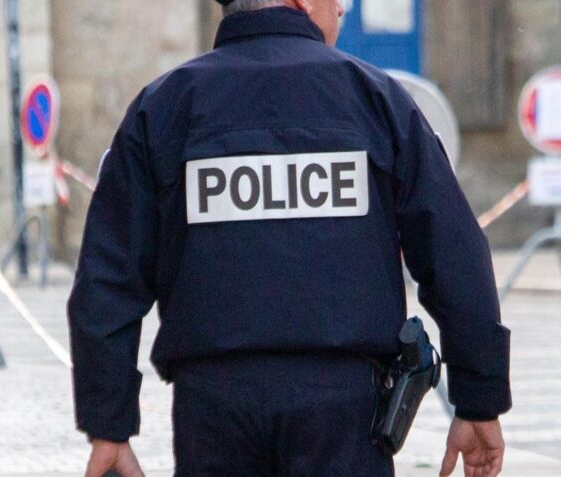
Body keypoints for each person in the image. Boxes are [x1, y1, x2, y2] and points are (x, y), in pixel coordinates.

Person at [68, 0, 512, 476]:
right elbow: (455, 256)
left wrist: (108, 426)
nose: (341, 9)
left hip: (213, 414)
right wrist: (478, 398)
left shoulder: (164, 107)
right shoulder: (376, 99)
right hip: (345, 416)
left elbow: (107, 280)